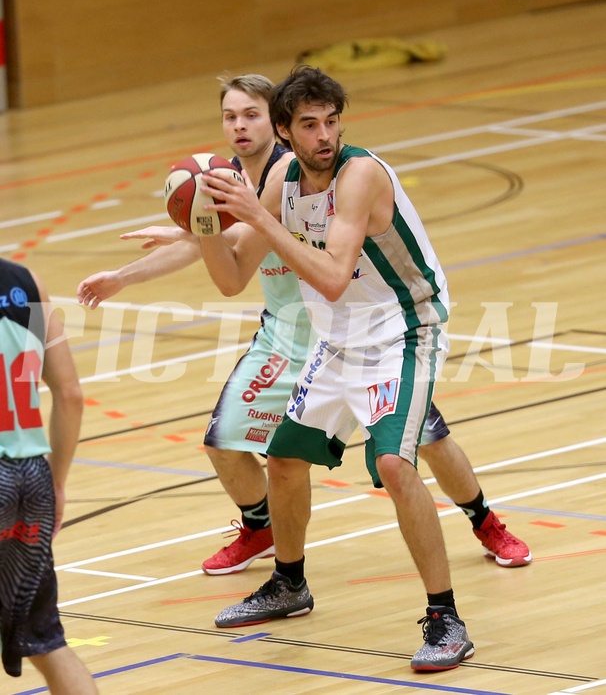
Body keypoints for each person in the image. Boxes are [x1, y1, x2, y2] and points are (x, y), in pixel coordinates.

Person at [78, 74, 531, 577]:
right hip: (310, 334)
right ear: (286, 127)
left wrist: (224, 224)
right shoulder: (257, 180)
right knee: (257, 451)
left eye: (330, 122)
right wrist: (192, 228)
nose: (240, 125)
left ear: (273, 124)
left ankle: (482, 524)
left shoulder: (338, 173)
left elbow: (318, 267)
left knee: (416, 447)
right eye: (231, 116)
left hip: (388, 329)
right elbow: (227, 262)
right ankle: (272, 550)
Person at [188, 64, 477, 672]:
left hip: (404, 331)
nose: (325, 136)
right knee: (286, 460)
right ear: (288, 134)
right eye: (311, 125)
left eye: (333, 121)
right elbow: (232, 277)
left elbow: (332, 276)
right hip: (337, 339)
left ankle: (446, 618)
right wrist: (204, 221)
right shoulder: (284, 180)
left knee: (397, 464)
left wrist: (258, 217)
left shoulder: (360, 175)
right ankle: (289, 584)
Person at [0, 258, 98, 693]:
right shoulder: (25, 280)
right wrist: (56, 482)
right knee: (46, 642)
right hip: (31, 475)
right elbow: (70, 394)